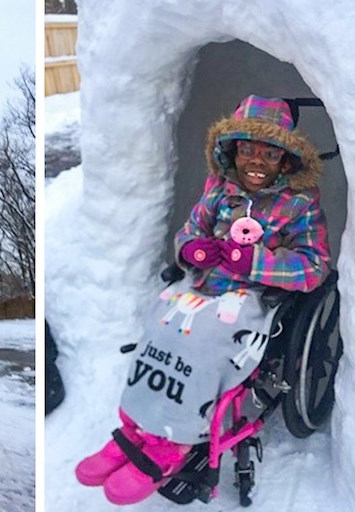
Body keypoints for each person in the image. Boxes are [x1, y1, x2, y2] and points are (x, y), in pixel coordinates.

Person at [75, 95, 330, 505]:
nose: (256, 161)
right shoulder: (218, 188)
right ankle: (136, 428)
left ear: (286, 160)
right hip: (204, 285)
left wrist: (256, 261)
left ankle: (172, 442)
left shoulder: (300, 203)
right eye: (247, 150)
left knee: (201, 339)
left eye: (269, 153)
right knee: (158, 322)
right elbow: (189, 233)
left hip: (255, 298)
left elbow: (314, 266)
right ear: (233, 151)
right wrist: (192, 250)